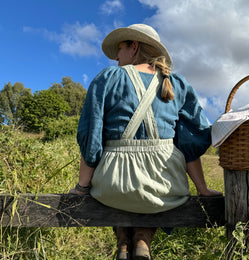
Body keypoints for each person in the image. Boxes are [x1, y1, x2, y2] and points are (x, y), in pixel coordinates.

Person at [70, 24, 222, 260]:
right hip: (165, 188)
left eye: (119, 50)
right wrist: (202, 189)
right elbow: (190, 144)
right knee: (151, 197)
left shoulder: (108, 78)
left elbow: (92, 136)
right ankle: (143, 237)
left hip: (113, 185)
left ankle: (123, 240)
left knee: (121, 193)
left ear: (134, 47)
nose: (116, 57)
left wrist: (81, 187)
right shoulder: (177, 84)